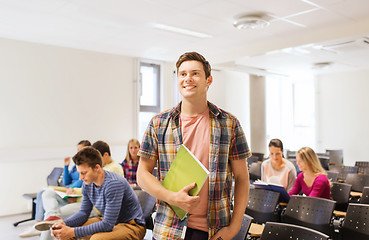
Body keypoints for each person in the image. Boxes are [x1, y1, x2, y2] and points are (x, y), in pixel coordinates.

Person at [137, 51, 251, 240]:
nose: (188, 78)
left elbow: (242, 178)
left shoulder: (229, 123)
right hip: (168, 228)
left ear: (209, 80)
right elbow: (142, 174)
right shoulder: (158, 123)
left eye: (195, 73)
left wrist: (234, 227)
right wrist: (172, 197)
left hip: (214, 230)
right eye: (183, 74)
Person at [49, 146, 146, 240]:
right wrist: (64, 223)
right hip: (112, 222)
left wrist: (72, 231)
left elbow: (107, 225)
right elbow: (83, 212)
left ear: (97, 168)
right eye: (79, 173)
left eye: (83, 173)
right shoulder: (87, 185)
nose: (80, 178)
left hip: (132, 226)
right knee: (65, 231)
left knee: (96, 238)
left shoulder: (113, 184)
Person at [19, 140, 91, 238]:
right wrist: (66, 166)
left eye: (80, 149)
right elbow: (66, 181)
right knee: (43, 193)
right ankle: (39, 222)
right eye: (77, 149)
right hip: (68, 189)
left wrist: (72, 189)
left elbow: (81, 181)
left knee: (49, 212)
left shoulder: (88, 165)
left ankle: (44, 223)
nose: (78, 152)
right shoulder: (75, 165)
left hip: (72, 191)